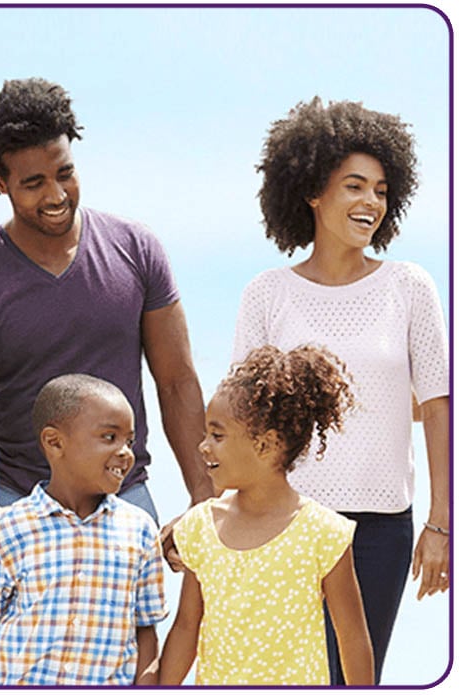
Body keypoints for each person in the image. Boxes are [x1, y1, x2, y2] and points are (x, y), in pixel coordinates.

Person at [232, 97, 450, 685]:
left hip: (380, 528)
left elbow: (437, 404)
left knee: (354, 680)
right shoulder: (266, 294)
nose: (370, 203)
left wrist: (441, 525)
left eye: (381, 190)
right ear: (311, 192)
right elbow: (241, 422)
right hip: (283, 522)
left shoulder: (409, 286)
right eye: (355, 186)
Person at [0, 77, 212, 540]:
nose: (56, 195)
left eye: (64, 173)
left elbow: (177, 382)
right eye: (34, 183)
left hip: (125, 501)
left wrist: (204, 494)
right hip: (19, 504)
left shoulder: (137, 249)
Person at [159, 345, 373, 686]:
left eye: (217, 435)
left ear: (265, 444)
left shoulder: (323, 532)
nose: (203, 446)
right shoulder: (200, 527)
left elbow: (352, 637)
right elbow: (186, 625)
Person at [0, 373, 167, 685]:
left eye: (130, 441)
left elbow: (146, 628)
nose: (126, 452)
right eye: (110, 437)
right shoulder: (5, 530)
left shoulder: (140, 531)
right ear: (54, 442)